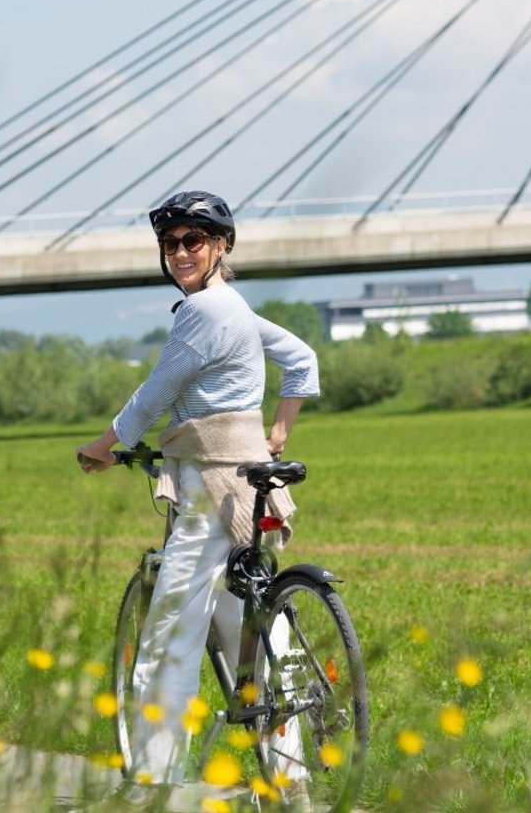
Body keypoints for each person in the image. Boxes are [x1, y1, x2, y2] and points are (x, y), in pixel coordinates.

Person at [76, 189, 321, 804]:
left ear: (221, 246)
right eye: (170, 243)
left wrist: (104, 446)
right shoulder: (233, 306)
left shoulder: (206, 312)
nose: (180, 251)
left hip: (212, 483)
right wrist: (278, 431)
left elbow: (155, 393)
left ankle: (154, 778)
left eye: (194, 240)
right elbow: (302, 358)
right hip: (251, 480)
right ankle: (288, 769)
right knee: (249, 621)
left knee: (168, 634)